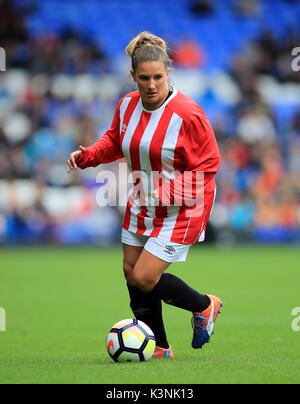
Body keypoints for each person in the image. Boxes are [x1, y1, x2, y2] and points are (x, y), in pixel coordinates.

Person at [67, 32, 223, 359]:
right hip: (144, 198)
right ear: (132, 76)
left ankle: (204, 305)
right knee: (130, 271)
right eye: (144, 78)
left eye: (158, 77)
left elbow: (208, 167)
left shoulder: (188, 114)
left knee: (145, 276)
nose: (151, 85)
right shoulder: (126, 104)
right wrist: (89, 156)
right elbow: (114, 139)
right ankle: (160, 347)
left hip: (185, 206)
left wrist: (166, 191)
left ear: (169, 72)